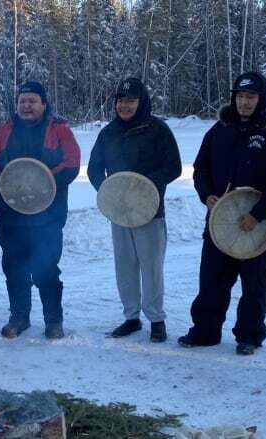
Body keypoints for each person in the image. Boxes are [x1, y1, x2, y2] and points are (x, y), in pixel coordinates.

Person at [179, 72, 266, 355]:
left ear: (262, 98)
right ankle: (205, 331)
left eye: (250, 97)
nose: (244, 103)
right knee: (211, 280)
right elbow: (201, 168)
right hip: (220, 221)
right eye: (240, 96)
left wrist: (258, 213)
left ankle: (249, 335)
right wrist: (206, 194)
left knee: (254, 285)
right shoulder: (220, 130)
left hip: (257, 224)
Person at [0, 81, 81, 339]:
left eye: (32, 101)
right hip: (11, 213)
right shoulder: (6, 130)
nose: (26, 105)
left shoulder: (59, 129)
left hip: (47, 216)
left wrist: (41, 184)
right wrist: (7, 187)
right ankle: (19, 316)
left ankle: (53, 320)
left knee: (46, 266)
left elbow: (71, 163)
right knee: (14, 266)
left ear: (43, 104)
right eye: (22, 101)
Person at [87, 77, 182, 342]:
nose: (124, 106)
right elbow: (95, 168)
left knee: (151, 266)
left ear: (141, 102)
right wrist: (107, 191)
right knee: (125, 265)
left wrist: (147, 185)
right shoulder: (108, 132)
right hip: (119, 211)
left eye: (130, 101)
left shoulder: (157, 130)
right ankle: (131, 317)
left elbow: (173, 166)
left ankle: (156, 319)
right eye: (120, 101)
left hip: (149, 210)